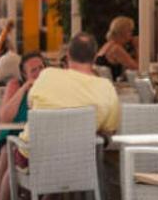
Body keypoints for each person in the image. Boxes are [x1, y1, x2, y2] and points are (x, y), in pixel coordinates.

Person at [15, 32, 120, 167]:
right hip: (78, 160)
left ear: (68, 55)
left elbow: (31, 105)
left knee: (10, 153)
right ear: (94, 58)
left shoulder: (47, 75)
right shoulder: (106, 87)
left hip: (36, 158)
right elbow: (110, 130)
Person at [0, 52, 46, 200]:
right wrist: (25, 88)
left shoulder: (51, 88)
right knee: (7, 151)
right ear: (24, 74)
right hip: (14, 135)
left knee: (10, 151)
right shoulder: (16, 84)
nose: (38, 73)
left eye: (41, 68)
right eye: (33, 70)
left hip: (38, 139)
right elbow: (5, 117)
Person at [94, 16, 139, 81]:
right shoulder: (116, 49)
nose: (132, 34)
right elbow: (137, 69)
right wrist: (137, 47)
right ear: (123, 32)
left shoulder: (108, 45)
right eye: (130, 31)